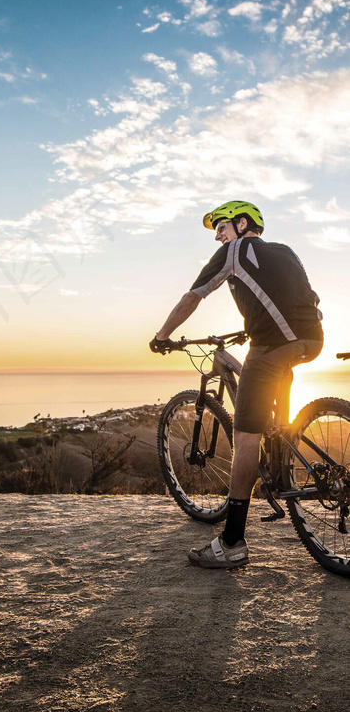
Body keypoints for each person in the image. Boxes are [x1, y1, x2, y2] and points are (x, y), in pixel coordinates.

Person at [150, 200, 323, 568]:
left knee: (247, 436)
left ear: (242, 224)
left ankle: (232, 542)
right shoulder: (285, 252)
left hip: (275, 345)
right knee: (275, 414)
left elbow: (191, 297)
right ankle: (283, 463)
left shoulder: (234, 251)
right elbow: (306, 300)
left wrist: (163, 335)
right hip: (312, 339)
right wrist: (258, 329)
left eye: (221, 227)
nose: (218, 236)